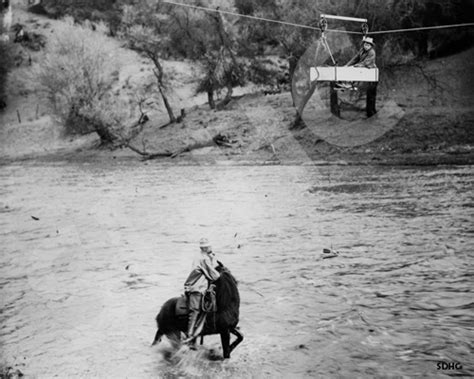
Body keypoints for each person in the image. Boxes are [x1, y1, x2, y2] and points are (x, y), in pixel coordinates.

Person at [183, 238, 220, 343]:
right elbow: (213, 274)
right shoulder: (203, 259)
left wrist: (212, 258)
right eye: (209, 246)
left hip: (201, 286)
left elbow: (211, 268)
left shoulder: (202, 257)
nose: (211, 248)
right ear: (206, 248)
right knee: (194, 310)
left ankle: (197, 331)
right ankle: (189, 335)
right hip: (197, 287)